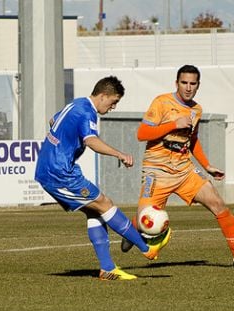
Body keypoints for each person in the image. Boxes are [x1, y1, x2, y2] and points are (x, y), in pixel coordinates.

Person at [121, 65, 234, 269]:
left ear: (198, 85)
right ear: (176, 83)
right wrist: (173, 124)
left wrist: (207, 165)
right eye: (184, 83)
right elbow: (142, 134)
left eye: (192, 84)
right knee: (146, 221)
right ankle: (135, 225)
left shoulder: (197, 110)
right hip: (157, 171)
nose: (188, 87)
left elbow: (192, 140)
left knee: (218, 205)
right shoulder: (162, 102)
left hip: (184, 169)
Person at [34, 76, 171, 281]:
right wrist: (120, 154)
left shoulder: (77, 103)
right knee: (104, 203)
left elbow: (54, 120)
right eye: (113, 102)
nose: (113, 107)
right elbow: (91, 141)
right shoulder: (87, 112)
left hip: (52, 169)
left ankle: (107, 268)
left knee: (95, 211)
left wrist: (61, 139)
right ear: (103, 95)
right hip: (60, 173)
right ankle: (146, 248)